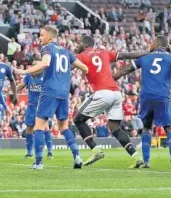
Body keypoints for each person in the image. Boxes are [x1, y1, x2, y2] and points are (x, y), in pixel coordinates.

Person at [14, 26, 89, 170]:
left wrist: (24, 71)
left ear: (49, 37)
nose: (39, 38)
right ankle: (77, 156)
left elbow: (45, 63)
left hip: (49, 91)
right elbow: (84, 68)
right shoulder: (66, 52)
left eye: (41, 35)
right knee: (64, 127)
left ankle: (38, 162)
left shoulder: (47, 48)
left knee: (39, 126)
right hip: (64, 93)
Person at [113, 35, 171, 169]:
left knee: (147, 128)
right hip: (162, 96)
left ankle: (146, 161)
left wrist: (112, 78)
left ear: (156, 43)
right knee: (169, 127)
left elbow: (125, 70)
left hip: (146, 97)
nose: (150, 44)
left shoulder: (144, 57)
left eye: (152, 42)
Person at [72, 35, 147, 167]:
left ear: (85, 44)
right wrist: (148, 53)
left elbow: (67, 64)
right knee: (115, 127)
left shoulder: (82, 56)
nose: (77, 46)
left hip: (102, 93)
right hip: (116, 93)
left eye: (78, 44)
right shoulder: (104, 52)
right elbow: (126, 55)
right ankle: (136, 157)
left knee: (78, 120)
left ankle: (95, 150)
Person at [17, 64, 53, 159]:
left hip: (42, 106)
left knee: (45, 127)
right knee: (29, 128)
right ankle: (29, 152)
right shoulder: (28, 77)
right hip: (31, 107)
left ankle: (49, 151)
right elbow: (21, 86)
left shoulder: (45, 77)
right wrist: (13, 91)